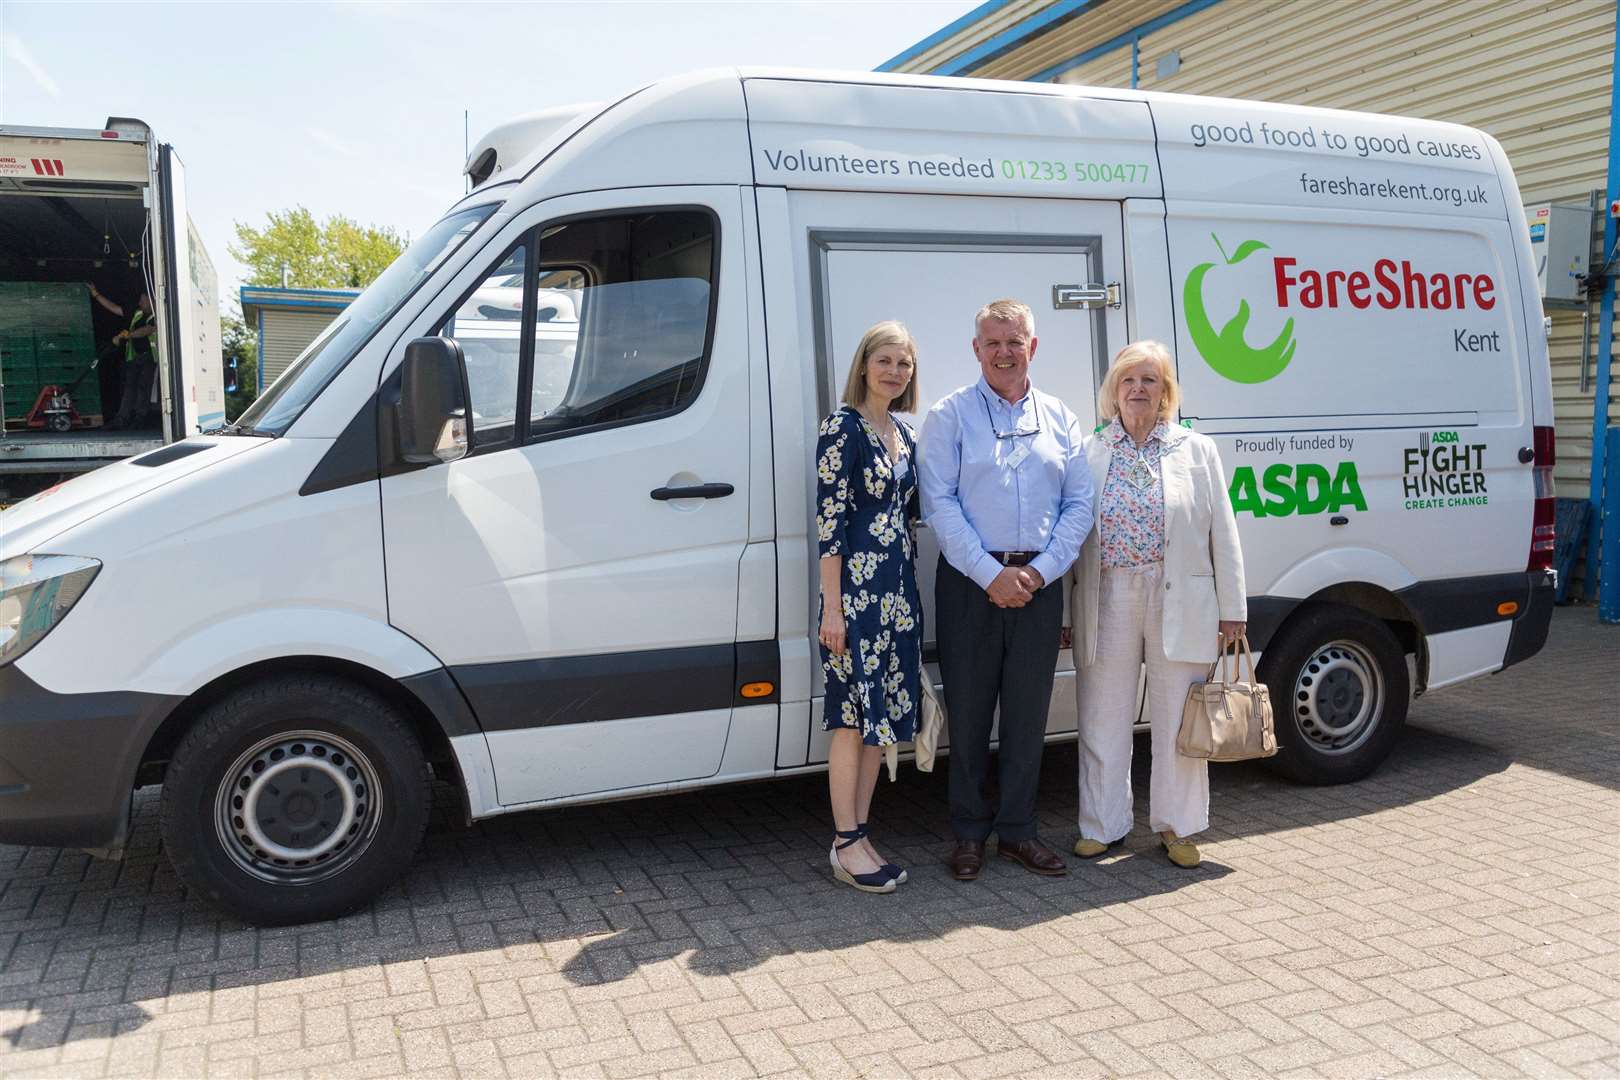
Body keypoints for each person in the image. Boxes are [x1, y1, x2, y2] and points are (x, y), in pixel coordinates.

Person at [917, 298, 1094, 882]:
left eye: (1014, 341)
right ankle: (968, 833)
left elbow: (1079, 505)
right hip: (971, 586)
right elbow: (939, 504)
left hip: (1039, 585)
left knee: (1027, 715)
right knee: (968, 713)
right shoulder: (949, 416)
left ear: (1033, 347)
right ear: (975, 350)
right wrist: (990, 575)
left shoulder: (1062, 418)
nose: (1003, 352)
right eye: (992, 342)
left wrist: (1039, 572)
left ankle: (1019, 831)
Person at [1069, 340, 1247, 869]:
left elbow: (1224, 532)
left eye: (1149, 381)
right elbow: (1072, 536)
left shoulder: (1196, 449)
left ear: (1166, 392)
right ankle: (1103, 826)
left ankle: (1178, 826)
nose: (1138, 390)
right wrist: (1064, 616)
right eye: (1128, 380)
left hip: (1181, 598)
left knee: (1177, 718)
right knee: (1103, 715)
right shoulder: (1090, 450)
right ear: (1113, 391)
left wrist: (1232, 609)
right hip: (1108, 595)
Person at [815, 320, 924, 894]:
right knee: (852, 720)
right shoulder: (843, 429)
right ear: (864, 365)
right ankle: (844, 840)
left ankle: (859, 835)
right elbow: (829, 529)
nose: (894, 372)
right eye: (885, 360)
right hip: (854, 601)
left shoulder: (902, 433)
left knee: (880, 722)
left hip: (898, 596)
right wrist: (832, 610)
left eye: (903, 364)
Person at [89, 284, 159, 430]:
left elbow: (148, 330)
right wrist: (96, 295)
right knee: (129, 389)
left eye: (143, 300)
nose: (140, 303)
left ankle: (140, 419)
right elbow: (115, 308)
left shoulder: (157, 316)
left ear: (152, 300)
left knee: (143, 388)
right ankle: (121, 419)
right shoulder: (137, 314)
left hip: (149, 358)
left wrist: (128, 335)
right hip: (133, 357)